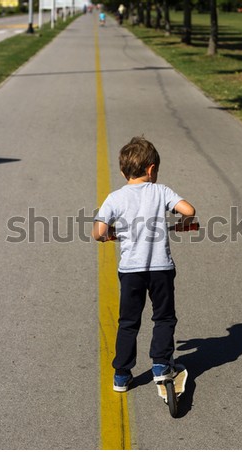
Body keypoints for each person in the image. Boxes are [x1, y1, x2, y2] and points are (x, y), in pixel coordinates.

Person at [92, 136, 196, 392]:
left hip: (131, 272)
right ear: (151, 169)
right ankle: (161, 364)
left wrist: (109, 235)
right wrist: (182, 223)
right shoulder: (161, 192)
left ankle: (122, 374)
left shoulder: (115, 198)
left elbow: (98, 231)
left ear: (122, 171)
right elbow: (189, 211)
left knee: (128, 321)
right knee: (163, 317)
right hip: (161, 269)